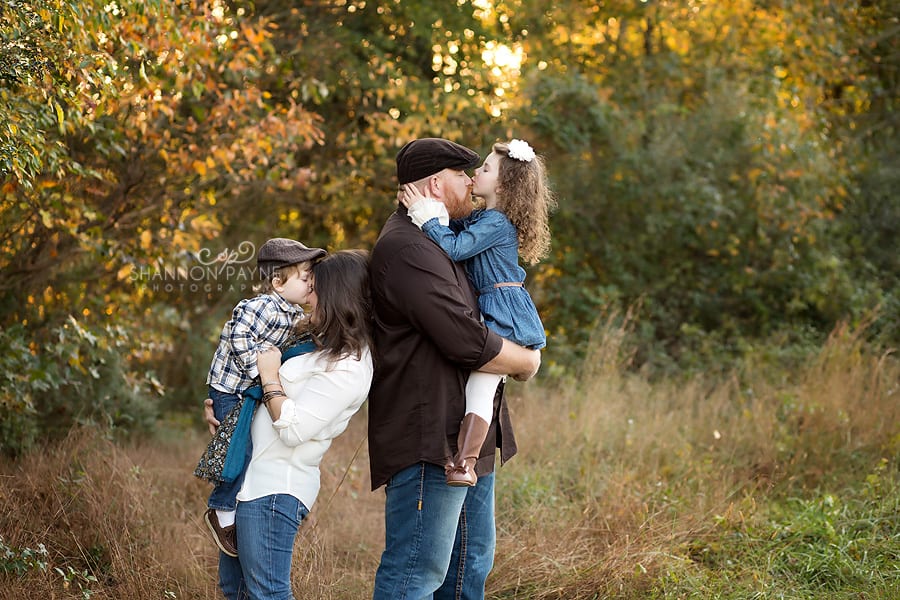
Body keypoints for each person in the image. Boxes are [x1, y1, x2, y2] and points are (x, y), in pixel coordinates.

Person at [368, 137, 541, 599]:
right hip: (431, 440)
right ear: (434, 184)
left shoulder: (442, 237)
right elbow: (466, 338)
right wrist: (526, 360)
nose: (469, 181)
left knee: (468, 568)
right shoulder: (408, 249)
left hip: (464, 435)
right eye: (461, 174)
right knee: (416, 574)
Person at [204, 249, 374, 599]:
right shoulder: (317, 346)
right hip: (248, 484)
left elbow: (295, 429)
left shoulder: (350, 366)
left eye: (315, 288)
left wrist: (269, 377)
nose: (308, 295)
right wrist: (228, 419)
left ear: (337, 295)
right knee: (235, 590)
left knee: (268, 593)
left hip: (274, 489)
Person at [400, 138, 554, 487]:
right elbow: (453, 230)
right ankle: (464, 463)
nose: (474, 175)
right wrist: (431, 210)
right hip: (495, 307)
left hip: (504, 311)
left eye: (484, 169)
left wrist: (426, 218)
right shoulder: (486, 218)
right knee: (480, 386)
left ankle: (464, 464)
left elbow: (455, 247)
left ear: (503, 185)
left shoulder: (497, 223)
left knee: (481, 386)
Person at [202, 237, 326, 557]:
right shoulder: (261, 306)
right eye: (305, 278)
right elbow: (238, 336)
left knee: (248, 447)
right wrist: (260, 370)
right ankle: (221, 509)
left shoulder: (292, 312)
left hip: (247, 390)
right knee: (239, 449)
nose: (310, 283)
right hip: (230, 388)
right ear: (277, 283)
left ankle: (235, 506)